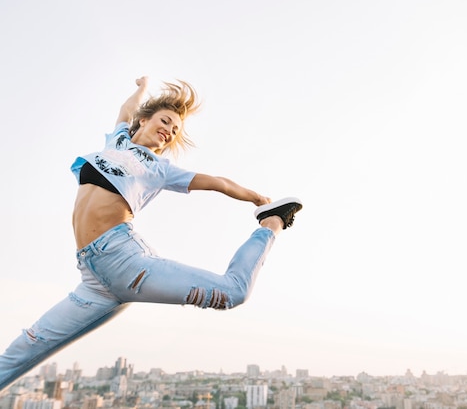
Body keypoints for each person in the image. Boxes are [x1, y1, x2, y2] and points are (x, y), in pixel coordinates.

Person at [0, 77, 302, 392]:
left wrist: (258, 199)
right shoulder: (116, 142)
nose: (170, 130)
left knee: (232, 292)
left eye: (175, 130)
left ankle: (272, 223)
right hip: (92, 279)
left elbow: (217, 182)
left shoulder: (160, 168)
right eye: (166, 121)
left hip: (126, 261)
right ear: (144, 120)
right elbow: (126, 109)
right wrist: (142, 87)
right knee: (26, 346)